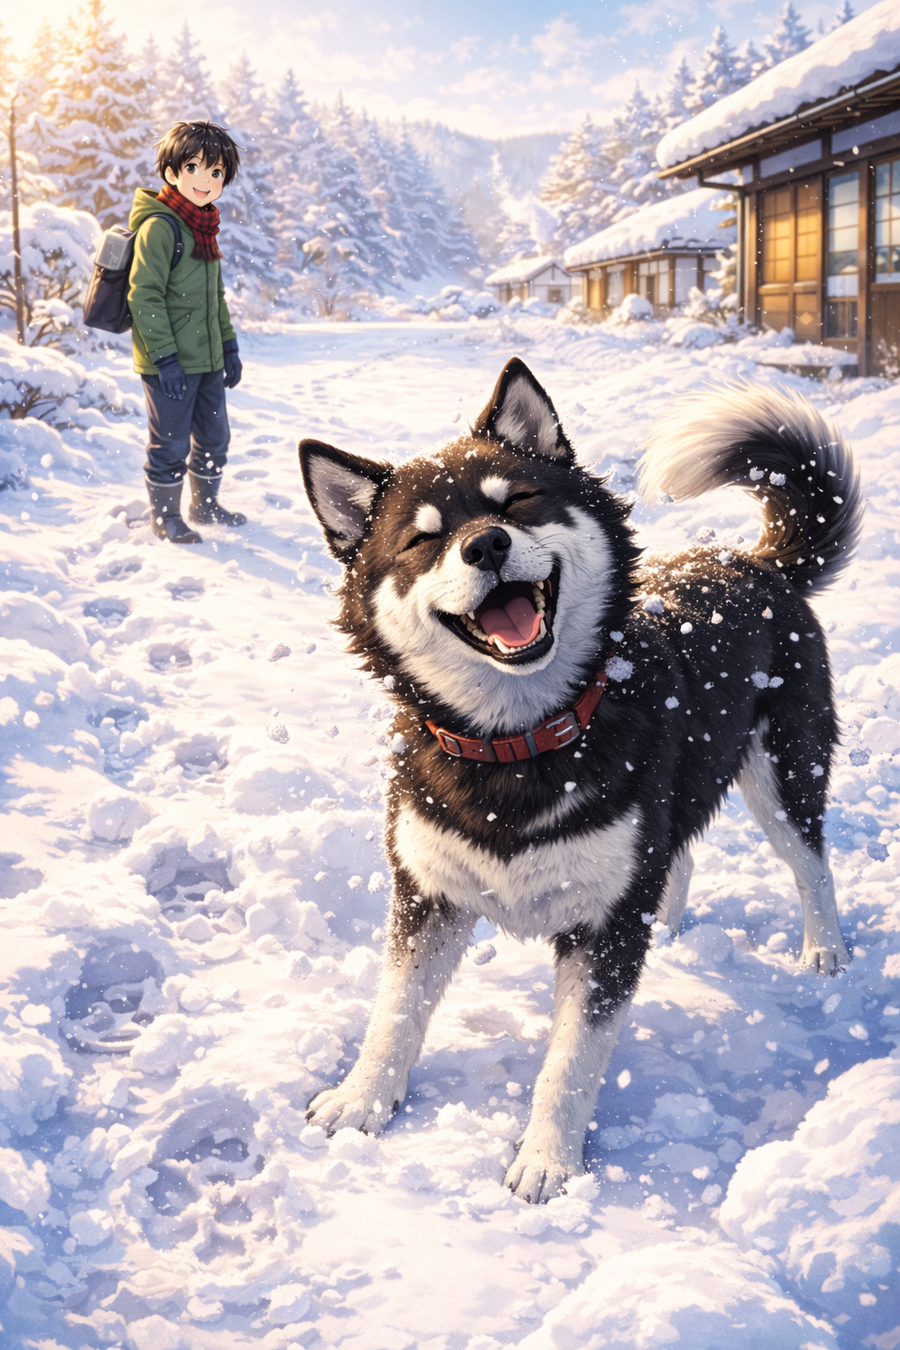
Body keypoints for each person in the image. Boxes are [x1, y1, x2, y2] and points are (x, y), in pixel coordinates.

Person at [128, 120, 247, 545]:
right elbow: (144, 296)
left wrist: (228, 346)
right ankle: (165, 518)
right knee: (170, 445)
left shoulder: (205, 228)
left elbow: (215, 298)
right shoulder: (160, 228)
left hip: (209, 359)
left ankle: (205, 505)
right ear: (172, 172)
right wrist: (165, 358)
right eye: (195, 167)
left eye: (216, 173)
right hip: (170, 363)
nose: (206, 180)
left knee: (215, 438)